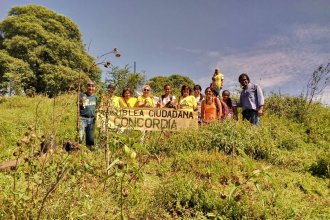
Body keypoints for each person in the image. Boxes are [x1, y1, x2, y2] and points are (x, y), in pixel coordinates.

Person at [79, 81, 98, 147]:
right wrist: (82, 101)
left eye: (93, 86)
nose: (91, 88)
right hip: (82, 119)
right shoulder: (82, 95)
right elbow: (77, 104)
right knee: (80, 136)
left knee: (90, 138)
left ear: (95, 88)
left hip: (92, 120)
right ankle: (78, 150)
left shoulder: (95, 98)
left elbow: (97, 108)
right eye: (89, 86)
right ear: (87, 87)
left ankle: (88, 151)